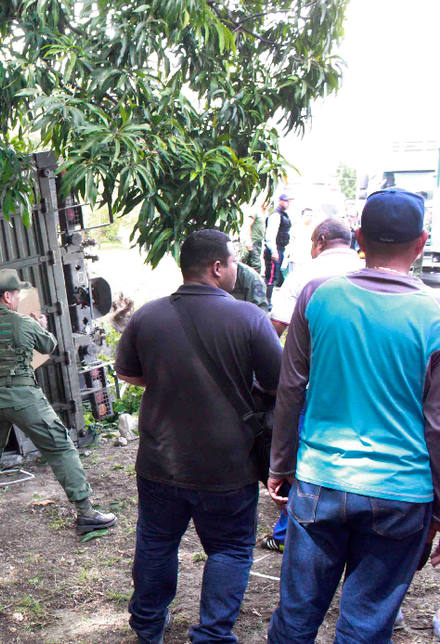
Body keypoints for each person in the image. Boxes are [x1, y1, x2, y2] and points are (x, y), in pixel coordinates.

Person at [267, 188, 440, 643]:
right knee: (365, 626)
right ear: (421, 242)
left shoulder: (316, 296)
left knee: (296, 616)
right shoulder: (434, 315)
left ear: (359, 238)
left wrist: (280, 465)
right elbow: (438, 424)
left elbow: (291, 388)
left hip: (321, 483)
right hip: (402, 494)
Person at [115, 229, 281, 643]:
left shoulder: (148, 315)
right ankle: (211, 634)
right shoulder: (249, 317)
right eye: (234, 261)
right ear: (218, 267)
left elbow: (127, 371)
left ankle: (148, 625)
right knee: (229, 549)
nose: (236, 268)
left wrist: (170, 379)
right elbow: (280, 383)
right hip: (229, 464)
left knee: (156, 542)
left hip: (159, 460)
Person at [0, 268, 116, 536]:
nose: (18, 297)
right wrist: (41, 326)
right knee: (60, 446)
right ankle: (86, 512)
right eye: (17, 293)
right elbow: (48, 346)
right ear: (7, 296)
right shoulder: (23, 323)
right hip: (23, 398)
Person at [259, 218, 364, 553]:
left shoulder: (306, 274)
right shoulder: (374, 269)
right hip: (365, 384)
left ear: (320, 240)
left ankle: (288, 529)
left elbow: (275, 327)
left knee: (308, 457)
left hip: (315, 385)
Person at [264, 194, 291, 300]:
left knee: (274, 276)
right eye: (286, 201)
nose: (288, 203)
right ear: (280, 201)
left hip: (280, 249)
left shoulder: (284, 215)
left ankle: (268, 300)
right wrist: (273, 251)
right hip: (274, 250)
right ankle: (266, 301)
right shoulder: (276, 215)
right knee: (270, 277)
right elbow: (270, 234)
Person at [241, 206, 266, 274]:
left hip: (257, 242)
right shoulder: (255, 211)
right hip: (253, 242)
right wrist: (248, 240)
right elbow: (247, 225)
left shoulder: (262, 213)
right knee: (255, 265)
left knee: (250, 265)